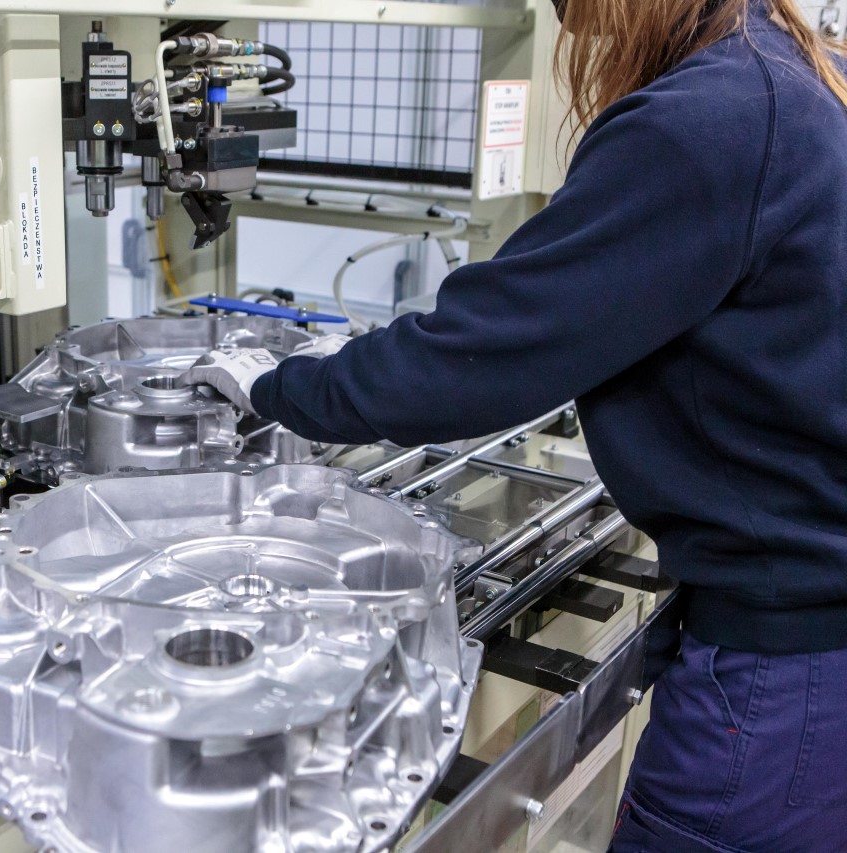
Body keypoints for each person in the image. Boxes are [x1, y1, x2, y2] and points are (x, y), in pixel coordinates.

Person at [181, 0, 847, 850]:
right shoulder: (801, 71)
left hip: (778, 686)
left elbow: (480, 356)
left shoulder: (712, 119)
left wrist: (279, 387)